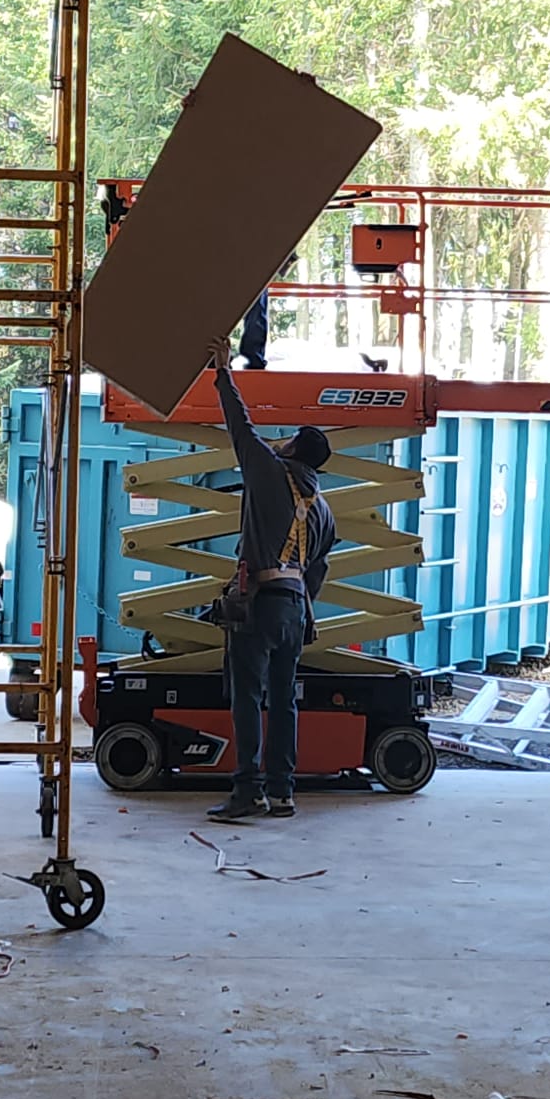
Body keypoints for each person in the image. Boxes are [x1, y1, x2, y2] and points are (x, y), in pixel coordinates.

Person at [203, 334, 335, 822]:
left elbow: (239, 425)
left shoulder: (267, 472)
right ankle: (282, 793)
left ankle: (247, 791)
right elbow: (319, 566)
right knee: (283, 701)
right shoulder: (323, 508)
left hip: (259, 604)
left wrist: (223, 371)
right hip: (295, 609)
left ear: (294, 447)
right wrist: (300, 604)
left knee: (247, 698)